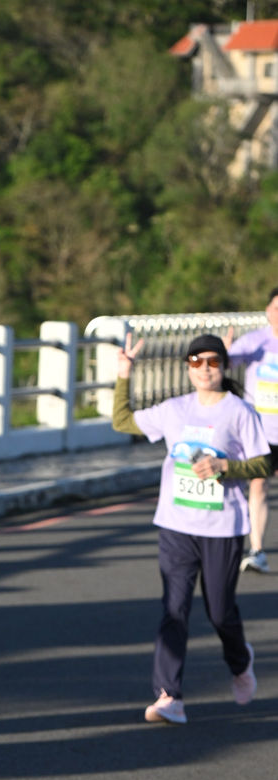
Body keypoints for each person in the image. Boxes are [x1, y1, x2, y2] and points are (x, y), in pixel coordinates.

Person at [113, 332, 269, 725]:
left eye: (213, 361)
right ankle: (169, 697)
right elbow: (122, 421)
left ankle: (240, 661)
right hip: (176, 525)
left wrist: (225, 466)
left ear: (225, 366)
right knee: (174, 609)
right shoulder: (174, 409)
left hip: (223, 527)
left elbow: (264, 464)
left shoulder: (240, 412)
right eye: (196, 361)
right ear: (187, 367)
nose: (204, 369)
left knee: (220, 613)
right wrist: (124, 375)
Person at [227, 288, 278, 572]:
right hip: (260, 431)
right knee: (258, 484)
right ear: (268, 310)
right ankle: (257, 550)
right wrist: (223, 353)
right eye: (276, 308)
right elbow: (226, 363)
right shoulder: (254, 341)